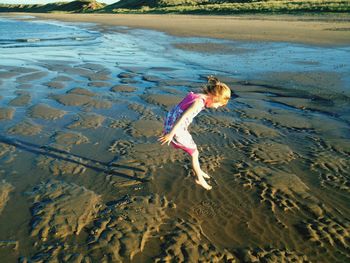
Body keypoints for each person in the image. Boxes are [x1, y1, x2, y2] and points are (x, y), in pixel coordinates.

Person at [158, 76, 231, 190]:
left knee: (194, 151)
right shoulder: (199, 103)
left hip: (172, 123)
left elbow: (177, 109)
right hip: (177, 129)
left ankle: (199, 171)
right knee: (194, 153)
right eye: (219, 105)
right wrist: (171, 133)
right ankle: (199, 178)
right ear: (215, 97)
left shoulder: (197, 95)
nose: (216, 108)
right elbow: (183, 117)